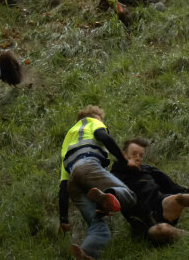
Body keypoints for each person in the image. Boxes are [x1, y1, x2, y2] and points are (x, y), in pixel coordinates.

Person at [58, 106, 137, 260]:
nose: (103, 122)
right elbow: (104, 137)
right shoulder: (92, 121)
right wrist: (124, 160)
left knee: (98, 228)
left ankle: (86, 254)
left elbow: (63, 186)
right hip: (88, 165)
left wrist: (63, 220)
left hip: (73, 181)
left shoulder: (68, 140)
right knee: (130, 196)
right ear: (94, 116)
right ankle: (105, 197)